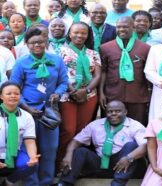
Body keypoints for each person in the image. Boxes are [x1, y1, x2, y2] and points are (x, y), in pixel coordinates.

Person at [10, 26, 68, 186]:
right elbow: (14, 88)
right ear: (27, 44)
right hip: (28, 112)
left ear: (46, 42)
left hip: (50, 112)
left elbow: (63, 82)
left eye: (41, 42)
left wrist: (58, 92)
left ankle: (47, 182)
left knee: (50, 149)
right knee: (29, 149)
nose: (37, 45)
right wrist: (27, 108)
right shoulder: (22, 63)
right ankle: (31, 182)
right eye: (33, 43)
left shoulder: (57, 60)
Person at [58, 100, 147, 186]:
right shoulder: (95, 125)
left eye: (118, 111)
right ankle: (64, 183)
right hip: (100, 163)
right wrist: (68, 155)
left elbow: (146, 146)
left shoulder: (134, 125)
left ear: (125, 112)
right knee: (81, 151)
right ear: (105, 113)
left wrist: (129, 158)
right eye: (110, 111)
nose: (113, 114)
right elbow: (76, 141)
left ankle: (118, 184)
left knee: (131, 146)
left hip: (123, 163)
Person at [57, 22, 101, 165]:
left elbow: (97, 76)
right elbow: (59, 73)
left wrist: (85, 90)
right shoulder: (60, 51)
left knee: (82, 132)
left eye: (83, 33)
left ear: (88, 35)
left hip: (88, 96)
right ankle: (60, 161)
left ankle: (75, 163)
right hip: (67, 95)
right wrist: (73, 91)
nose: (79, 35)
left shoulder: (93, 53)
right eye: (76, 32)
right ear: (69, 33)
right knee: (68, 130)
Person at [99, 16, 150, 125]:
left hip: (137, 95)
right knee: (111, 126)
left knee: (137, 126)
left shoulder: (145, 48)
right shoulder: (105, 48)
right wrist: (101, 93)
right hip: (112, 95)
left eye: (125, 27)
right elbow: (103, 71)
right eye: (119, 27)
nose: (121, 29)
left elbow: (148, 73)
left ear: (133, 27)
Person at [0, 81, 40, 186]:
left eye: (16, 94)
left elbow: (30, 141)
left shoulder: (26, 116)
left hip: (14, 152)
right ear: (1, 96)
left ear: (20, 96)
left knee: (31, 165)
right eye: (8, 94)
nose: (13, 96)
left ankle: (8, 182)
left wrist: (32, 157)